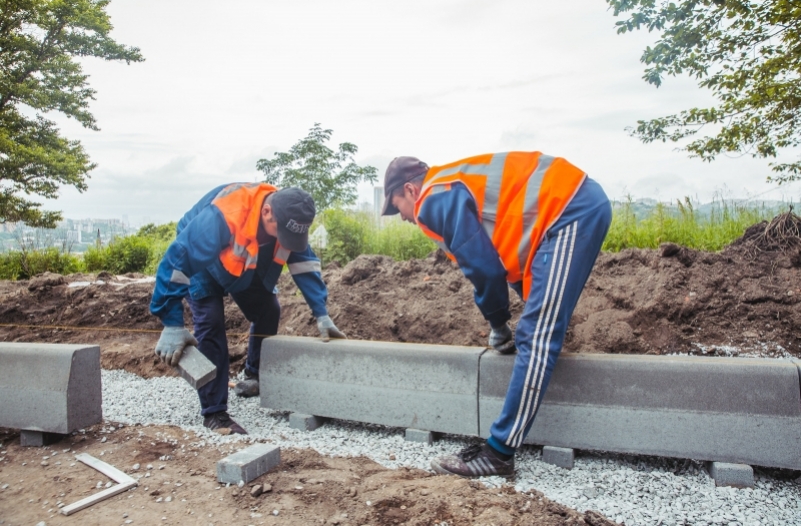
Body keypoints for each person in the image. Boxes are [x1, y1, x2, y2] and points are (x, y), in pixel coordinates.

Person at [381, 152, 611, 477]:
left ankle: (499, 453)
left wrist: (499, 325)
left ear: (410, 190)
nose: (400, 215)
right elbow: (501, 258)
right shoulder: (449, 187)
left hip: (569, 209)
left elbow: (485, 270)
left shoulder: (433, 198)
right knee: (540, 327)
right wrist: (510, 316)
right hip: (561, 213)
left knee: (536, 337)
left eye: (396, 205)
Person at [150, 183, 346, 435]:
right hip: (200, 262)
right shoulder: (224, 216)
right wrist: (172, 322)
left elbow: (305, 266)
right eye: (281, 232)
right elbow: (177, 261)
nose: (284, 240)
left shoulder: (288, 218)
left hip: (237, 264)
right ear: (267, 212)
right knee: (211, 323)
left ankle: (253, 376)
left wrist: (322, 315)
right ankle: (215, 413)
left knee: (269, 309)